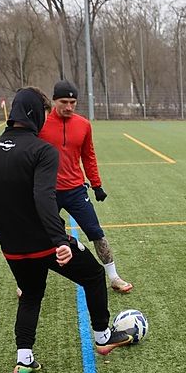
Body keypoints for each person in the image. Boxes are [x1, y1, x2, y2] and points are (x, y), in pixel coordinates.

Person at [0, 88, 135, 373]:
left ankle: (24, 359)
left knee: (31, 294)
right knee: (94, 276)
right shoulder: (42, 149)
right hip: (46, 242)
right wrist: (60, 240)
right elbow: (44, 197)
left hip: (12, 246)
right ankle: (102, 336)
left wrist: (4, 229)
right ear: (35, 113)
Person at [39, 79, 132, 293]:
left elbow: (88, 156)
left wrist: (97, 185)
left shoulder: (83, 125)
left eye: (73, 102)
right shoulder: (41, 125)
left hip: (75, 189)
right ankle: (27, 283)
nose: (69, 107)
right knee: (39, 237)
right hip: (47, 192)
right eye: (64, 101)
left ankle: (114, 276)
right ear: (54, 101)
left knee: (96, 232)